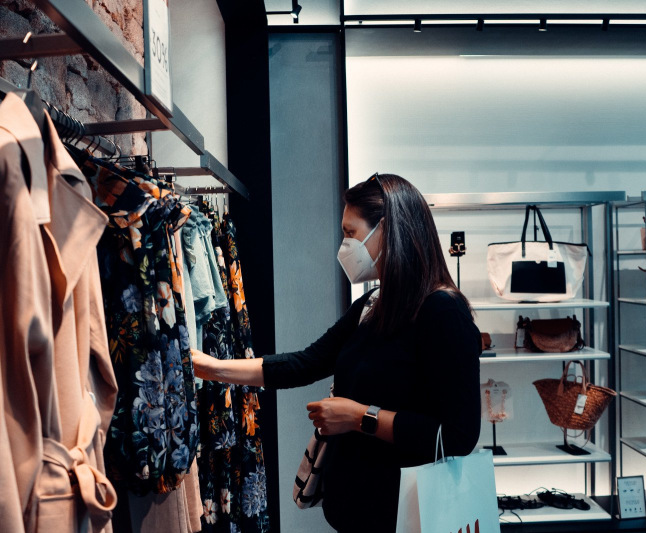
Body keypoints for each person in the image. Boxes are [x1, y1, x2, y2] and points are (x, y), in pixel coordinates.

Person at [191, 173, 481, 532]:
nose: (344, 245)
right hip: (357, 511)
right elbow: (305, 363)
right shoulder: (374, 304)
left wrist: (360, 417)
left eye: (350, 232)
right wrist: (212, 368)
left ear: (387, 230)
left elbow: (458, 435)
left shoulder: (443, 311)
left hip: (408, 516)